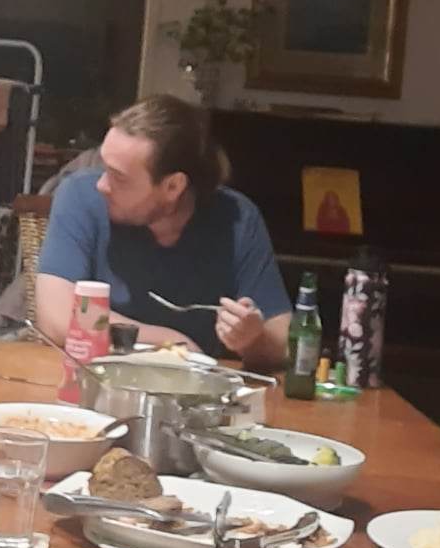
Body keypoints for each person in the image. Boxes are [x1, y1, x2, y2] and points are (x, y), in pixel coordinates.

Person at [35, 94, 291, 369]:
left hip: (192, 390)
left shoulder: (237, 219)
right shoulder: (80, 196)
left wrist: (251, 339)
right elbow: (56, 318)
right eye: (104, 167)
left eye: (118, 177)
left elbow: (284, 342)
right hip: (91, 379)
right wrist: (169, 342)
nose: (102, 185)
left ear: (173, 187)